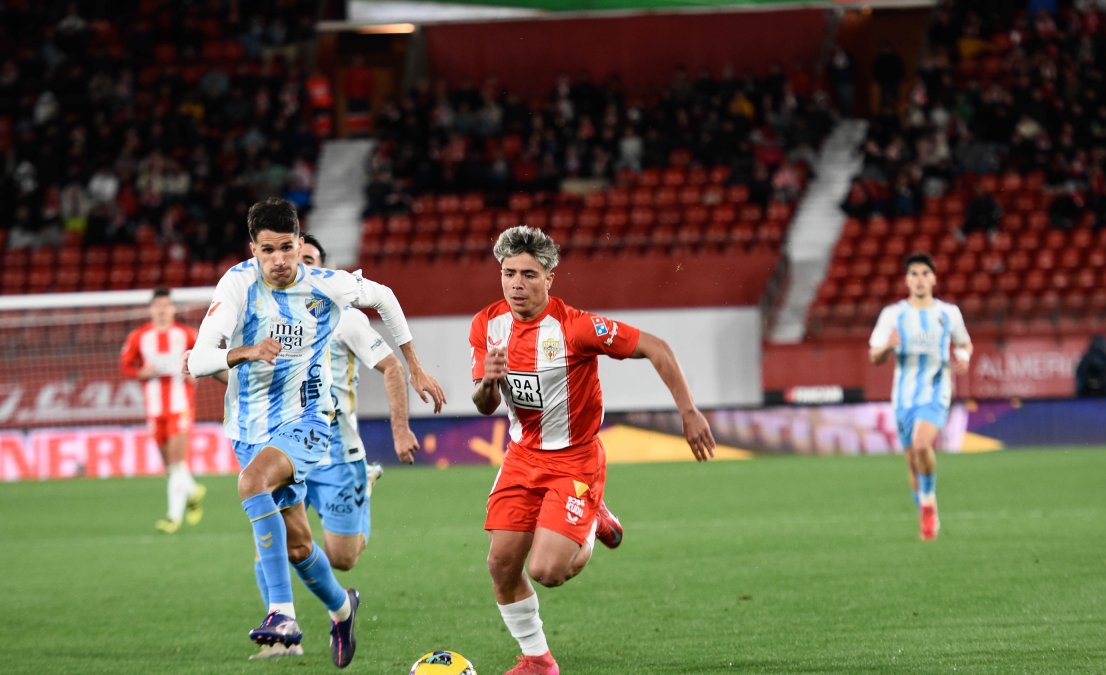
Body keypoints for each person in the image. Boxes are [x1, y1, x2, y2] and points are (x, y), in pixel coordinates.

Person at [470, 226, 717, 675]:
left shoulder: (577, 327)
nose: (516, 284)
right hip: (522, 457)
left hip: (575, 459)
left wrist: (689, 411)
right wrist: (488, 380)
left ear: (550, 278)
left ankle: (591, 520)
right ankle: (539, 660)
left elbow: (656, 348)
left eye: (528, 274)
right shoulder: (488, 324)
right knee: (501, 566)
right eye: (509, 274)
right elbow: (484, 405)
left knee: (549, 572)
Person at [187, 198, 421, 667]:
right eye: (268, 249)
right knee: (298, 545)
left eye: (287, 248)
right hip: (249, 428)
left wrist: (414, 365)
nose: (278, 259)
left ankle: (281, 616)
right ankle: (341, 608)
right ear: (253, 249)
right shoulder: (237, 284)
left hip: (310, 420)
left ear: (299, 245)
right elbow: (196, 362)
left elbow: (385, 297)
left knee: (252, 484)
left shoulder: (328, 285)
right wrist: (242, 353)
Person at [868, 252, 972, 541]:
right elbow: (874, 355)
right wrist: (886, 347)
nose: (919, 279)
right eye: (913, 274)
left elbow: (965, 343)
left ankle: (927, 506)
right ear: (906, 280)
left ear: (934, 278)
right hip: (903, 397)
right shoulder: (893, 315)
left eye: (925, 273)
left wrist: (962, 356)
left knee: (922, 444)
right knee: (912, 459)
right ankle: (927, 510)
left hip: (937, 390)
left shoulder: (948, 313)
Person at [119, 287, 206, 534]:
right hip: (154, 409)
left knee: (178, 464)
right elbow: (125, 367)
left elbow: (204, 359)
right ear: (151, 309)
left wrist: (195, 374)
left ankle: (173, 518)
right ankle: (192, 490)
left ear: (173, 309)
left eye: (166, 305)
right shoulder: (139, 337)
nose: (162, 310)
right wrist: (140, 373)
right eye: (158, 305)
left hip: (181, 407)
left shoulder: (187, 334)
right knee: (170, 467)